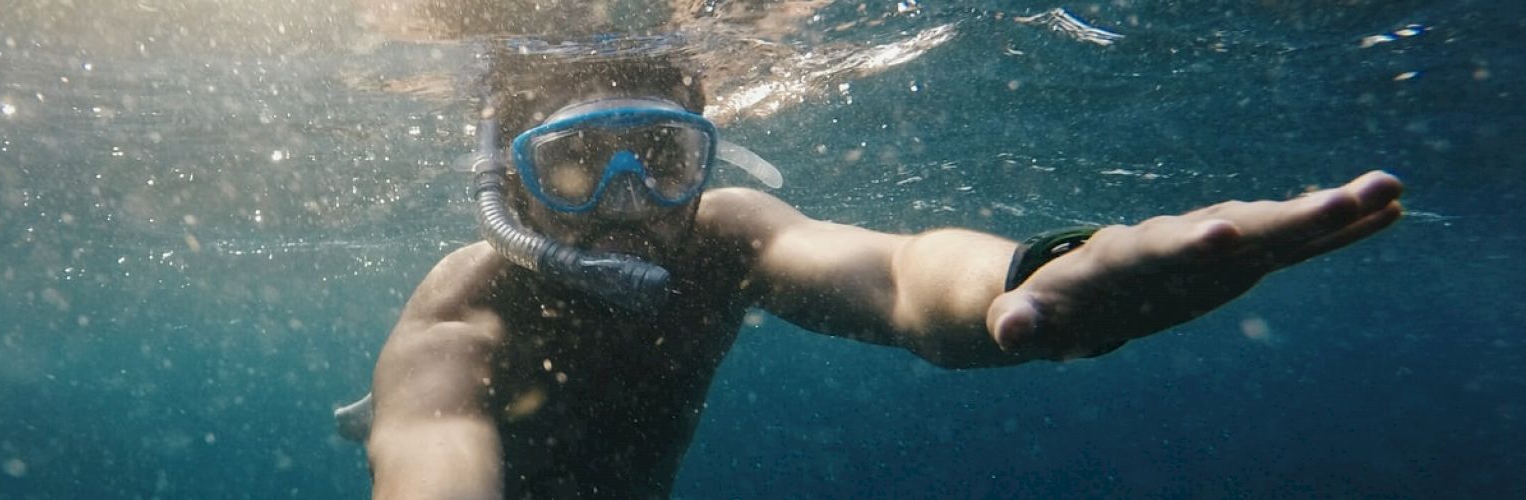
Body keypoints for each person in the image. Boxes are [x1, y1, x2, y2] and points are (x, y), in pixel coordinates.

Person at [337, 30, 1405, 500]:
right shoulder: (458, 326)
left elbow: (895, 275)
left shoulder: (723, 235)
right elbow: (433, 471)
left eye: (661, 157)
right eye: (573, 162)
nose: (627, 201)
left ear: (703, 154)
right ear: (503, 180)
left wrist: (1031, 272)